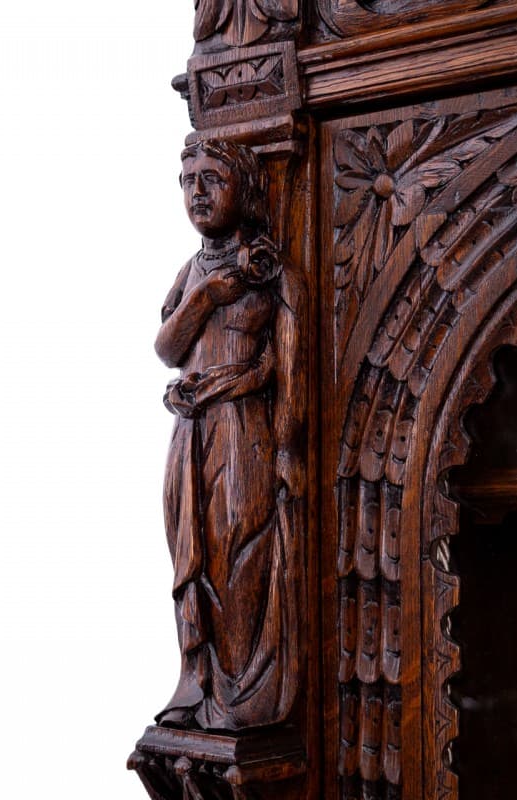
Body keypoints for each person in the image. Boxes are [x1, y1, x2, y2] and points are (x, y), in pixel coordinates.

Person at [154, 139, 302, 731]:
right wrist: (209, 294)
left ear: (246, 186)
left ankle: (242, 694)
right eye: (187, 180)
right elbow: (168, 348)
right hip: (190, 434)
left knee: (240, 551)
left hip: (242, 432)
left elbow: (290, 367)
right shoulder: (192, 272)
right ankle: (201, 684)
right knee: (192, 561)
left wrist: (288, 450)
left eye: (212, 178)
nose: (197, 192)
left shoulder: (273, 272)